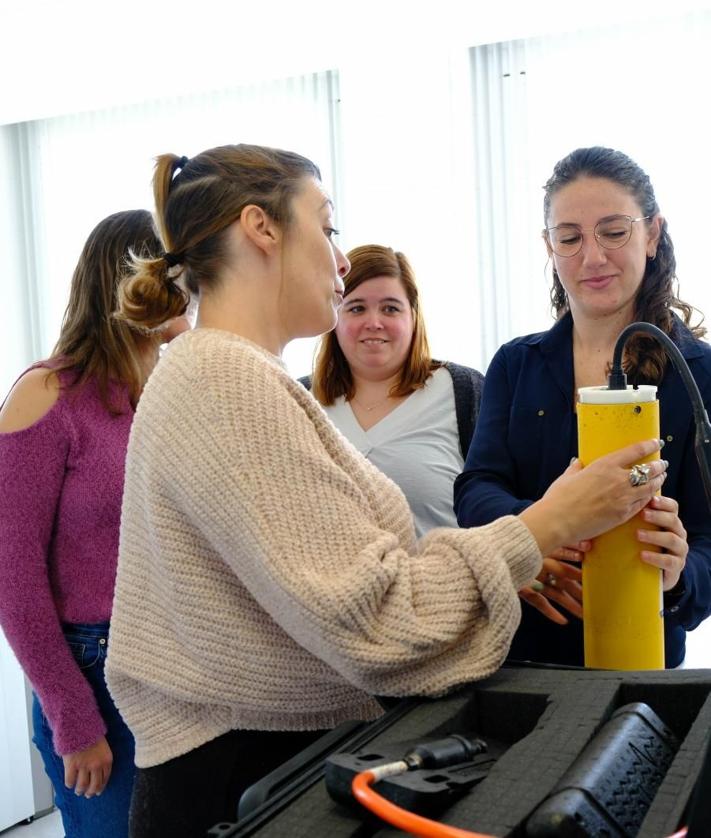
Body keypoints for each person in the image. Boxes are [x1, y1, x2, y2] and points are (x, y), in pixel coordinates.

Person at [104, 143, 667, 837]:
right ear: (261, 228)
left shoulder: (230, 375)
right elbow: (379, 623)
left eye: (611, 233)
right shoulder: (227, 383)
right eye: (327, 226)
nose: (340, 260)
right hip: (242, 779)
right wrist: (545, 524)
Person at [454, 146, 711, 668]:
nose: (592, 257)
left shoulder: (700, 374)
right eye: (569, 238)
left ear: (653, 234)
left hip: (643, 667)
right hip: (519, 659)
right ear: (548, 247)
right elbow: (477, 488)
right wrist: (534, 534)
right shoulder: (516, 364)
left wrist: (680, 573)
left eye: (614, 232)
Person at [0, 211, 187, 837]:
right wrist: (73, 718)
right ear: (128, 281)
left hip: (177, 661)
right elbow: (12, 574)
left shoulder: (169, 386)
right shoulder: (47, 391)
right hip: (93, 671)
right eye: (176, 273)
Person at [300, 244, 483, 536]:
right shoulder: (300, 401)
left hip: (444, 580)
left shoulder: (465, 391)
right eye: (357, 308)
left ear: (412, 317)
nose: (374, 323)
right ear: (335, 317)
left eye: (390, 308)